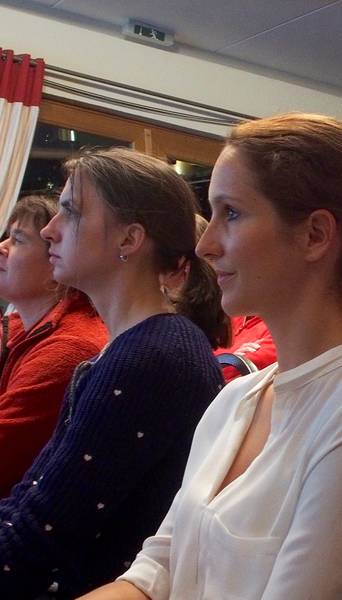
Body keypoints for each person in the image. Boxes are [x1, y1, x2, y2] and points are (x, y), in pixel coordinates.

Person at [83, 113, 342, 600]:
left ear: (315, 235)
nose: (205, 245)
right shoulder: (235, 399)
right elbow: (158, 572)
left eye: (231, 213)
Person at [0, 149, 225, 599]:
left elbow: (37, 543)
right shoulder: (139, 346)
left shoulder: (150, 357)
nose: (49, 229)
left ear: (129, 239)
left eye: (70, 211)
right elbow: (29, 505)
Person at [0, 195, 107, 497]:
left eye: (18, 240)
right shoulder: (23, 326)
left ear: (56, 262)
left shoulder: (71, 346)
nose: (2, 247)